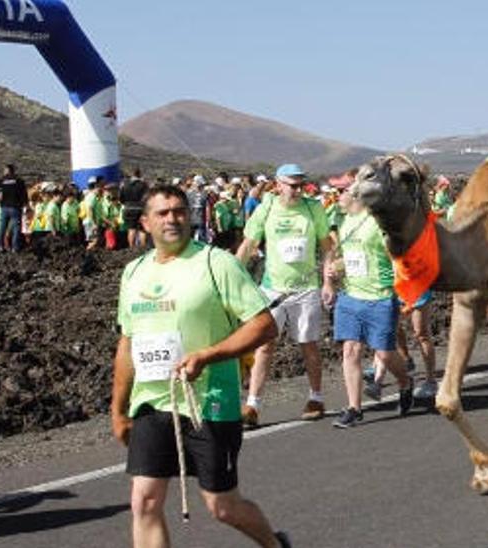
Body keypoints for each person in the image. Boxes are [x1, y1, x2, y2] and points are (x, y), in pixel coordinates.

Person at [111, 184, 290, 548]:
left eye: (179, 211)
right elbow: (127, 343)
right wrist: (117, 410)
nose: (172, 219)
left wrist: (207, 356)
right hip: (152, 403)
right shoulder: (133, 273)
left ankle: (274, 544)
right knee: (144, 501)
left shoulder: (216, 262)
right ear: (145, 223)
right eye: (162, 213)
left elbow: (263, 325)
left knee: (222, 506)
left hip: (209, 402)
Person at [236, 164, 335, 425]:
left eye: (300, 184)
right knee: (265, 345)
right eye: (291, 184)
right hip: (272, 288)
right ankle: (252, 406)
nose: (297, 189)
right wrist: (233, 276)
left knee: (308, 344)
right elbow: (248, 245)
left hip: (305, 289)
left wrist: (328, 282)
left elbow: (327, 247)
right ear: (278, 184)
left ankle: (316, 398)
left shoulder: (313, 209)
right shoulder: (266, 208)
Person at [328, 191, 414, 428]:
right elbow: (353, 257)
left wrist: (406, 293)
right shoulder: (346, 222)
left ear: (355, 194)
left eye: (340, 191)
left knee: (384, 353)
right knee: (350, 351)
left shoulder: (377, 223)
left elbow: (397, 258)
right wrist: (337, 268)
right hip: (350, 297)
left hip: (380, 297)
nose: (336, 196)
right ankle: (354, 408)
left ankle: (406, 383)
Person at [0, 164, 28, 252]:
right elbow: (24, 194)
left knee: (2, 227)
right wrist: (25, 204)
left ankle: (0, 246)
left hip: (4, 207)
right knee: (16, 228)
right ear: (14, 171)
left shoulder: (2, 180)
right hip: (15, 207)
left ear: (6, 171)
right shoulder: (19, 181)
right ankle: (15, 247)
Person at [120, 168, 150, 249]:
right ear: (139, 174)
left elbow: (121, 198)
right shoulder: (143, 185)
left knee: (131, 229)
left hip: (128, 208)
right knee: (142, 229)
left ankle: (131, 248)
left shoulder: (124, 184)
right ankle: (142, 248)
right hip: (140, 208)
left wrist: (127, 204)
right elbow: (147, 197)